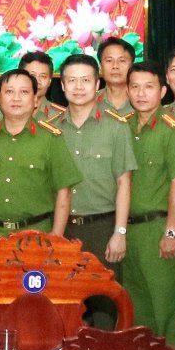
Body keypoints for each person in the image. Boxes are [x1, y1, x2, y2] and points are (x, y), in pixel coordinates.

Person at [121, 63, 175, 350]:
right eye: (135, 87)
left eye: (148, 87)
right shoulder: (123, 126)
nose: (141, 93)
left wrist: (171, 232)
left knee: (164, 309)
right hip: (129, 231)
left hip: (159, 229)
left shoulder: (173, 129)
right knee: (136, 308)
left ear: (163, 91)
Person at [0, 70, 80, 243]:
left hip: (37, 235)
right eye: (9, 91)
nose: (16, 98)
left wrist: (56, 237)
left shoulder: (51, 138)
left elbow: (64, 191)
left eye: (24, 92)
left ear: (35, 100)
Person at [55, 54, 135, 271]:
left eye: (86, 80)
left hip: (102, 228)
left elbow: (124, 182)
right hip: (61, 228)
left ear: (97, 84)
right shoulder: (52, 129)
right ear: (62, 85)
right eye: (72, 80)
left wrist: (120, 232)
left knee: (104, 291)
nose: (79, 87)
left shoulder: (116, 127)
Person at [20, 50, 64, 122]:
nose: (37, 81)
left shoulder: (61, 116)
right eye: (32, 75)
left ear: (50, 81)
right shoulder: (4, 111)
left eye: (43, 76)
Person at [96, 37, 136, 115]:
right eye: (109, 60)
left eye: (122, 61)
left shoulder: (144, 101)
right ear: (100, 66)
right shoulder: (88, 103)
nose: (115, 66)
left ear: (132, 66)